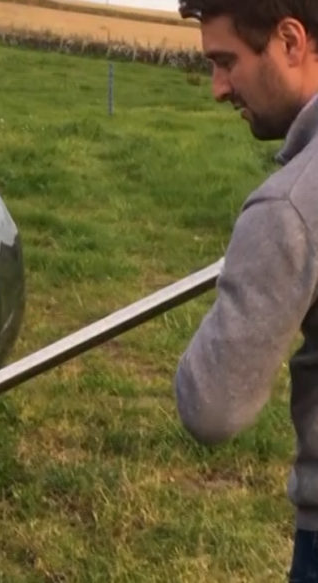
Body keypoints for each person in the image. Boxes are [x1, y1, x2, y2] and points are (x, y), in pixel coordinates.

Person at [175, 1, 318, 580]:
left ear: (289, 41)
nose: (217, 88)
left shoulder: (289, 208)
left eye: (226, 61)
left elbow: (212, 406)